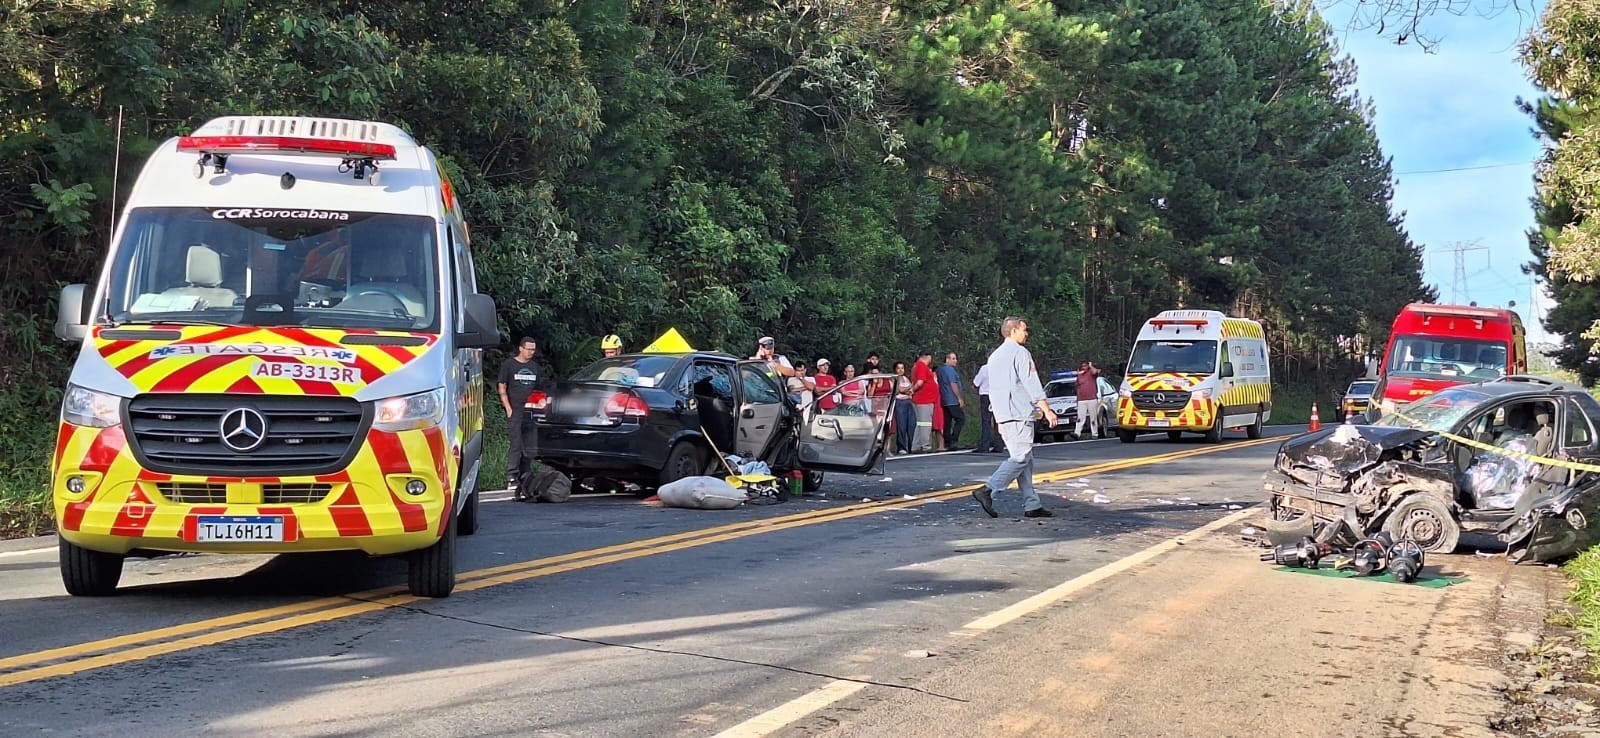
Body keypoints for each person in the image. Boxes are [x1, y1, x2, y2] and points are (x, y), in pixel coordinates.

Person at [972, 317, 1059, 518]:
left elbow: (991, 389)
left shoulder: (994, 357)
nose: (1026, 333)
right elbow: (1031, 382)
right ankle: (988, 490)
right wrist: (1046, 409)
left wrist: (997, 417)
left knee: (1025, 459)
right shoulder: (1020, 353)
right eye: (1024, 330)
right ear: (1012, 331)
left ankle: (1032, 504)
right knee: (1020, 458)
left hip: (1004, 413)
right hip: (1018, 412)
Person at [498, 336, 547, 496]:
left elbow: (540, 389)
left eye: (533, 349)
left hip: (531, 412)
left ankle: (525, 475)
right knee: (516, 443)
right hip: (515, 410)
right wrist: (508, 407)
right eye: (528, 349)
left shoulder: (534, 367)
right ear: (521, 348)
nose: (531, 352)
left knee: (529, 445)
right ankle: (512, 476)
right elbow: (502, 386)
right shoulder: (509, 365)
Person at [937, 352, 967, 450]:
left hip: (944, 399)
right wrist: (959, 398)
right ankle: (953, 440)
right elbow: (953, 384)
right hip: (952, 399)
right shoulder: (950, 370)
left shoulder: (940, 370)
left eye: (956, 358)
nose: (955, 361)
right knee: (960, 418)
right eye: (953, 359)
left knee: (947, 421)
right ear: (947, 359)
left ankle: (947, 442)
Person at [911, 350, 939, 452]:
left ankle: (916, 445)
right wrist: (912, 390)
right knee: (925, 423)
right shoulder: (921, 366)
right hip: (924, 400)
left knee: (920, 423)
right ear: (927, 356)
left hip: (922, 399)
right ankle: (926, 445)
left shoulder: (917, 366)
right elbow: (920, 382)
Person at [972, 363, 1002, 453]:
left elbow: (976, 382)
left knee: (986, 421)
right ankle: (999, 445)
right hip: (998, 396)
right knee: (998, 421)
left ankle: (985, 445)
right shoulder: (1001, 368)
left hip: (986, 396)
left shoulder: (985, 368)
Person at [1074, 360, 1103, 440]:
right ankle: (1077, 433)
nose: (1084, 367)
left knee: (1093, 417)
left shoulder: (1091, 373)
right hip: (1081, 400)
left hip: (1092, 398)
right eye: (1082, 366)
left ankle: (1094, 433)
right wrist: (1078, 399)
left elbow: (1095, 372)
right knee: (1080, 417)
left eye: (1085, 365)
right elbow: (1078, 387)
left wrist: (1091, 366)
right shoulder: (1079, 375)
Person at [892, 361, 915, 454]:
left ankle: (911, 445)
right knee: (901, 425)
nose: (900, 370)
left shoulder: (906, 378)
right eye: (898, 368)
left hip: (909, 402)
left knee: (911, 424)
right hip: (899, 402)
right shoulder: (894, 379)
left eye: (902, 368)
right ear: (895, 369)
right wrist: (908, 389)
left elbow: (911, 390)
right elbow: (898, 390)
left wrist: (908, 391)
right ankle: (901, 446)